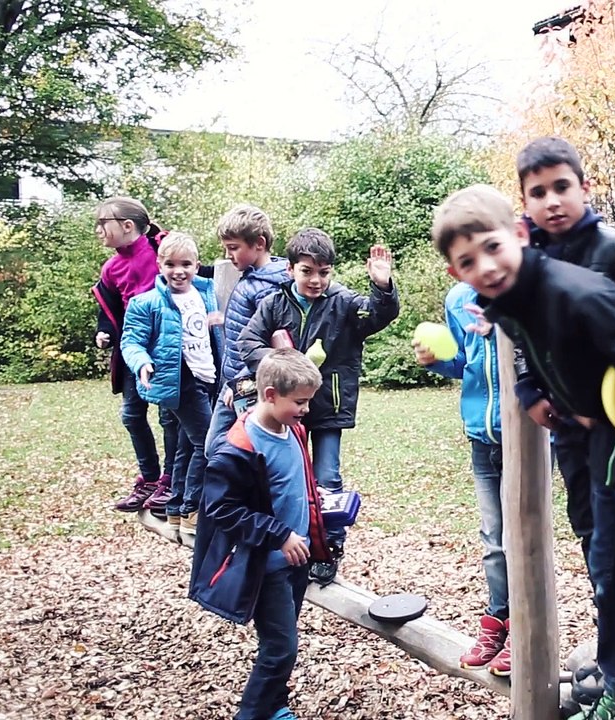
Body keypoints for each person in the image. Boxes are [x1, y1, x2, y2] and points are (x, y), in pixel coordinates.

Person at [432, 184, 615, 720]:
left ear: (517, 235)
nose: (485, 266)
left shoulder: (573, 294)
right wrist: (554, 400)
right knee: (608, 577)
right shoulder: (510, 305)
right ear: (456, 274)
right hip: (604, 449)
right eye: (468, 261)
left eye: (491, 247)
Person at [514, 135, 615, 567]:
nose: (552, 201)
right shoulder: (525, 262)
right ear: (525, 201)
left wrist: (609, 398)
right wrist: (530, 388)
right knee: (590, 529)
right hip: (568, 423)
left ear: (584, 187)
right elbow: (523, 333)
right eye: (538, 193)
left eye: (562, 187)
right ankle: (609, 623)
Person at [237, 229, 399, 585]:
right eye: (307, 270)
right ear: (291, 269)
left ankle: (329, 549)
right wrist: (284, 361)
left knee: (327, 479)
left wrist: (383, 287)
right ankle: (288, 542)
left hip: (328, 408)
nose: (316, 279)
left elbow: (377, 315)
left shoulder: (342, 302)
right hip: (284, 412)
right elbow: (247, 342)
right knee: (285, 477)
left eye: (324, 272)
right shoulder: (274, 303)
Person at [190, 348, 329, 720]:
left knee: (282, 642)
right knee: (281, 648)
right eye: (299, 402)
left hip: (296, 558)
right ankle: (252, 713)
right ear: (270, 395)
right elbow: (221, 509)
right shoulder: (237, 448)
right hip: (266, 565)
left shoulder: (293, 429)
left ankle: (274, 706)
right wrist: (279, 534)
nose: (306, 410)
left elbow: (293, 485)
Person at [413, 281, 512, 676]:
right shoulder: (456, 297)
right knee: (492, 539)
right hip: (480, 434)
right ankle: (497, 622)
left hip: (526, 436)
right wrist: (434, 360)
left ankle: (526, 628)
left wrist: (503, 328)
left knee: (522, 541)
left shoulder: (529, 287)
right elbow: (464, 361)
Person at [120, 232, 222, 534]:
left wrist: (215, 321)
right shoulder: (146, 303)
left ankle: (176, 507)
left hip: (206, 376)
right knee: (209, 444)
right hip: (178, 380)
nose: (179, 271)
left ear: (197, 266)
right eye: (171, 264)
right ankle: (192, 509)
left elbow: (200, 332)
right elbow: (131, 342)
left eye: (186, 264)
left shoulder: (205, 293)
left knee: (185, 447)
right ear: (159, 264)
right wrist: (142, 363)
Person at [92, 196, 180, 514]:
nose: (98, 230)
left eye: (104, 223)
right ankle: (150, 479)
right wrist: (105, 333)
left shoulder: (162, 247)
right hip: (134, 350)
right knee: (132, 415)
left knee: (170, 415)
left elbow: (194, 273)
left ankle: (170, 480)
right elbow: (110, 309)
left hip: (170, 347)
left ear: (127, 225)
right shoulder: (111, 267)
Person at [205, 204, 289, 460]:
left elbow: (269, 345)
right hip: (232, 381)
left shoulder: (268, 288)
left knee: (225, 449)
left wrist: (241, 385)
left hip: (247, 385)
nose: (228, 255)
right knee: (225, 448)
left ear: (259, 244)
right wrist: (225, 318)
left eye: (233, 248)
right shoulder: (252, 278)